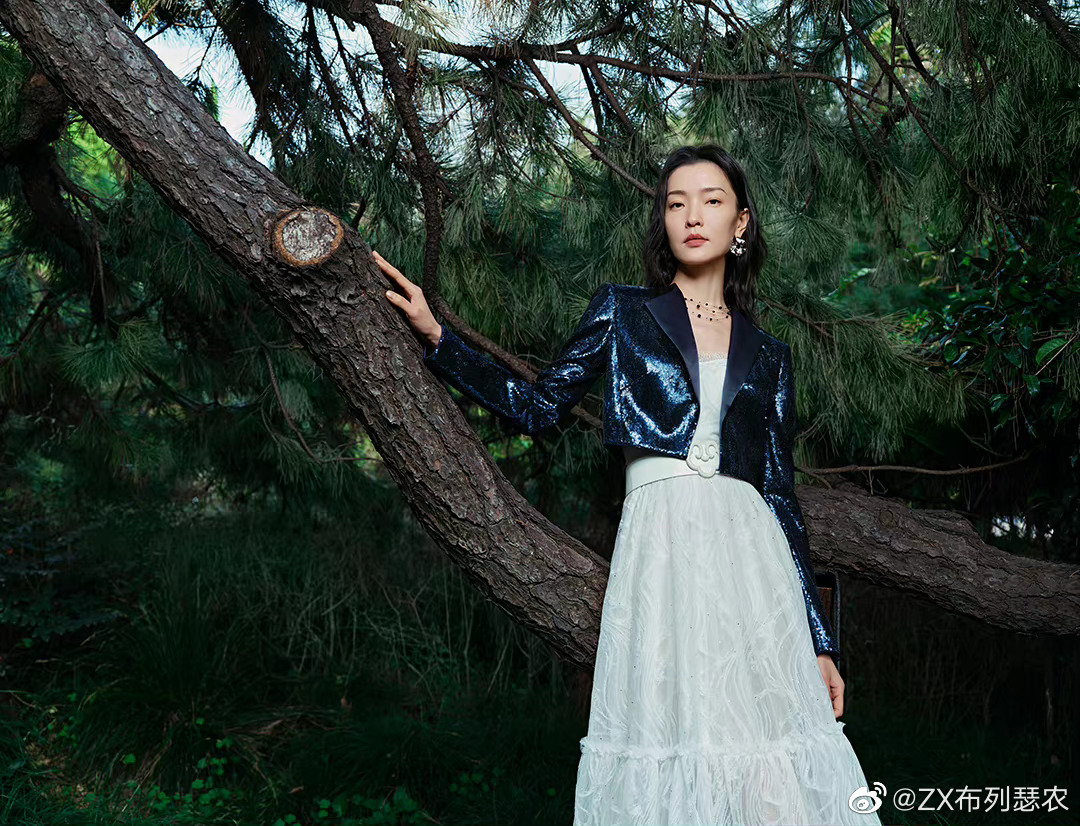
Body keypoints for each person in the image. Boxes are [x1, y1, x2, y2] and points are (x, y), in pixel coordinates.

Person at [376, 144, 883, 825]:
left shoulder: (770, 355)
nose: (692, 216)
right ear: (663, 222)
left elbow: (780, 498)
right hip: (662, 552)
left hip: (752, 563)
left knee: (770, 763)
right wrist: (440, 337)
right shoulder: (623, 312)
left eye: (711, 201)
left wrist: (820, 641)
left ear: (741, 223)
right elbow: (538, 408)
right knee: (672, 747)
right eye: (676, 203)